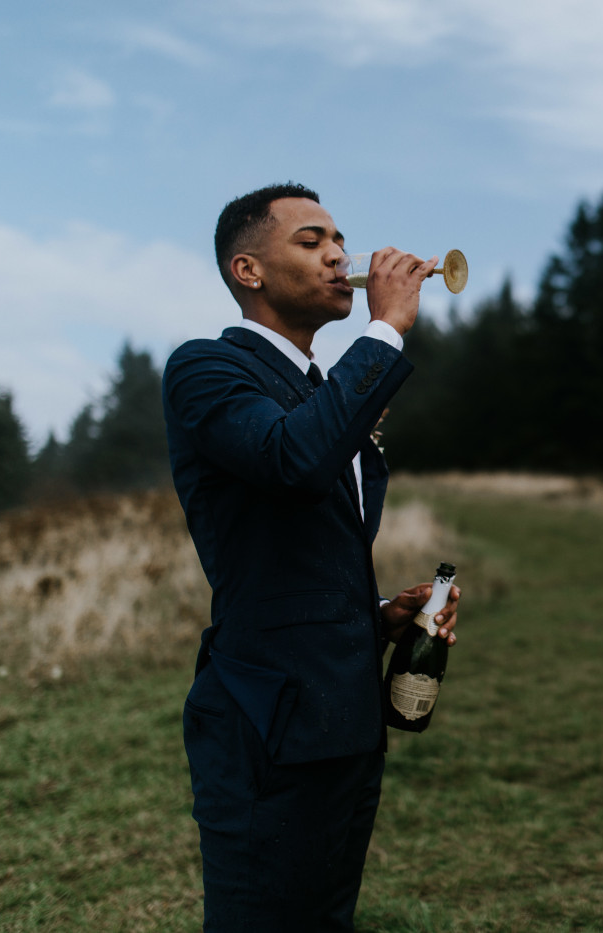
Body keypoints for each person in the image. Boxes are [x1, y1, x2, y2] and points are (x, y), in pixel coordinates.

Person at [163, 182, 461, 931]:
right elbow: (291, 459)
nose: (338, 254)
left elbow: (305, 538)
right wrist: (388, 327)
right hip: (267, 721)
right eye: (310, 240)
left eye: (338, 239)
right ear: (248, 270)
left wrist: (374, 620)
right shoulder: (205, 369)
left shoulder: (322, 391)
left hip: (344, 718)